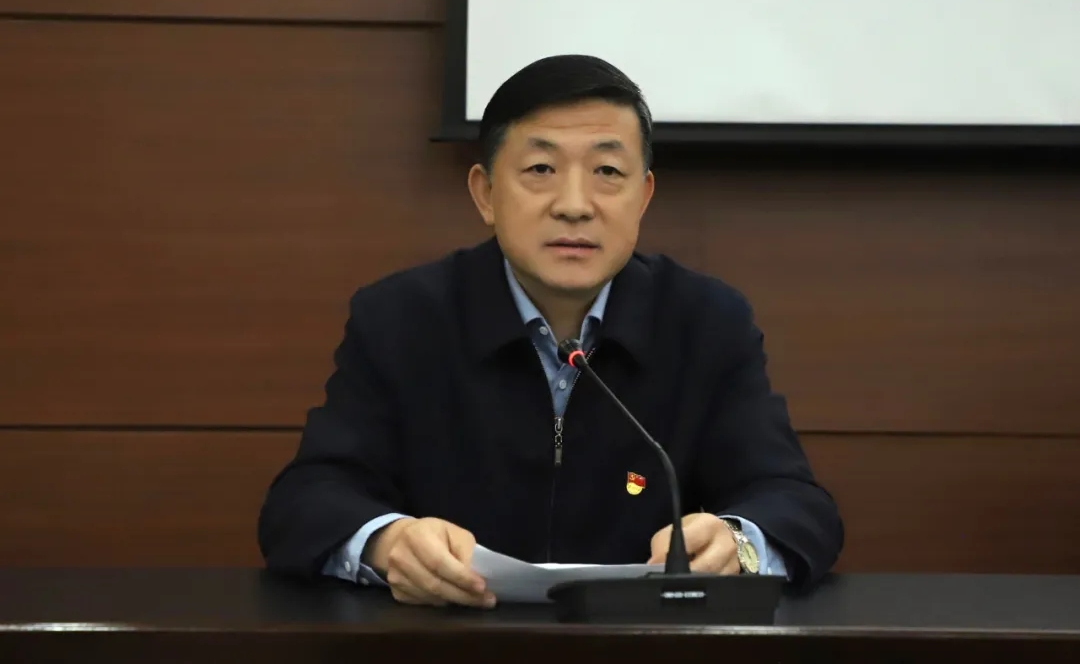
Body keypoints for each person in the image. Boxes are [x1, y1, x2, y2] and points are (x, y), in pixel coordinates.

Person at [258, 54, 843, 608]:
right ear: (486, 193)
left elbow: (795, 504)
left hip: (645, 647)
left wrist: (737, 542)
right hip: (449, 644)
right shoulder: (402, 319)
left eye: (607, 172)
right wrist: (388, 544)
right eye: (540, 169)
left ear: (643, 197)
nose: (574, 205)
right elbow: (305, 501)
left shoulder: (706, 322)